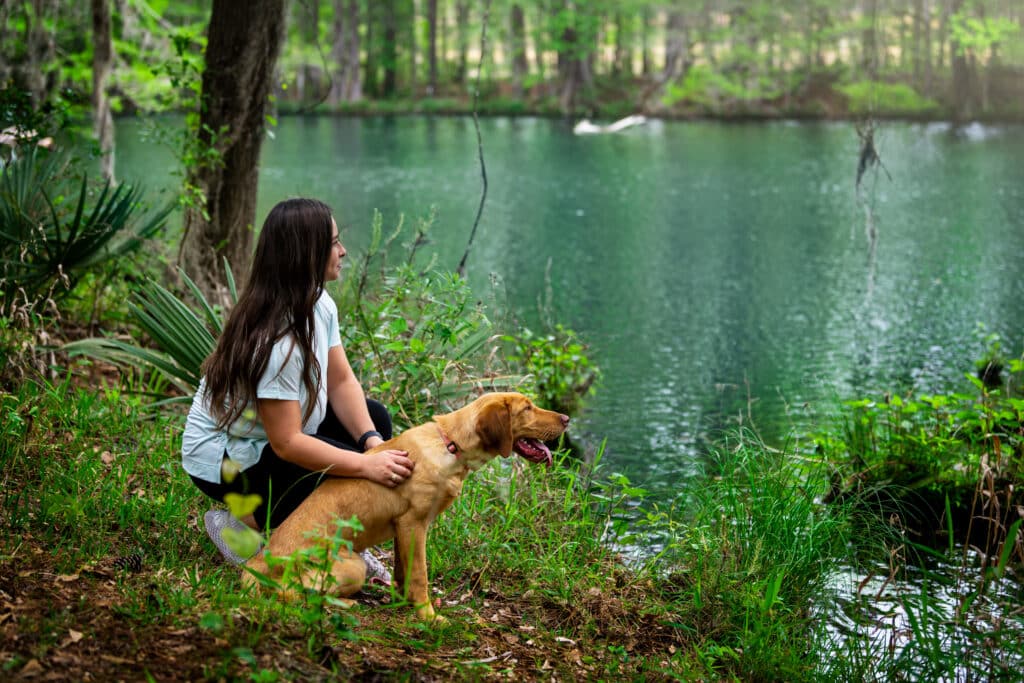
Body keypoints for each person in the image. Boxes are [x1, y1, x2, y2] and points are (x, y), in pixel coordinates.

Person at [182, 197, 414, 576]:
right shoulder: (279, 343)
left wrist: (372, 442)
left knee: (375, 418)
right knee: (329, 468)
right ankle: (242, 524)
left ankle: (336, 538)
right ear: (306, 255)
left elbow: (340, 381)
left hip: (270, 442)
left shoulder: (318, 303)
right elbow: (287, 444)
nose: (343, 251)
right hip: (226, 460)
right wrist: (364, 466)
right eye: (334, 244)